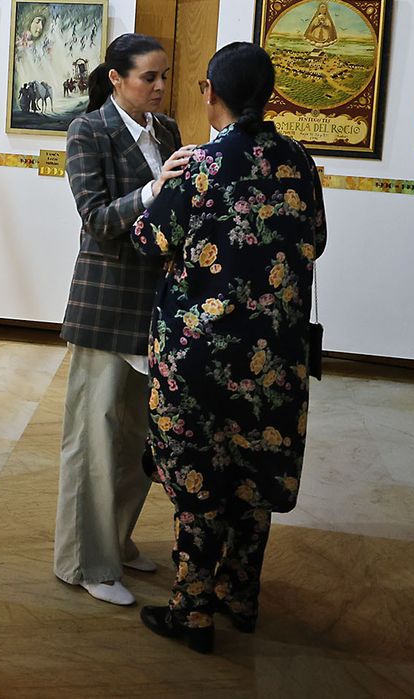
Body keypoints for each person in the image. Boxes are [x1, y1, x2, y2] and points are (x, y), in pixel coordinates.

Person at [130, 42, 326, 655]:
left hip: (198, 360)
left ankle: (192, 612)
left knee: (197, 485)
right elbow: (315, 241)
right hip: (274, 361)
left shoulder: (201, 166)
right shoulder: (299, 160)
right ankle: (240, 596)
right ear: (268, 96)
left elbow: (147, 236)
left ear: (210, 92)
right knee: (250, 479)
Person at [56, 33, 195, 607]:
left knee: (140, 438)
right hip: (106, 303)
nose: (161, 87)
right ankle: (86, 563)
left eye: (165, 76)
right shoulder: (87, 131)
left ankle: (117, 539)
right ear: (116, 79)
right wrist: (153, 189)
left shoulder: (166, 131)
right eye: (149, 78)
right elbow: (95, 218)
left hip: (158, 305)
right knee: (94, 439)